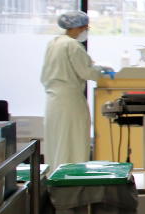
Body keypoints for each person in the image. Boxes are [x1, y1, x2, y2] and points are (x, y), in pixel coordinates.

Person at [40, 11, 114, 167]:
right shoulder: (72, 45)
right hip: (70, 101)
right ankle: (72, 180)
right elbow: (86, 71)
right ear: (78, 27)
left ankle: (54, 178)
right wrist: (101, 70)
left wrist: (95, 67)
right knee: (73, 142)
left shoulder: (54, 43)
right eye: (85, 27)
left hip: (53, 100)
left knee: (57, 142)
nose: (86, 31)